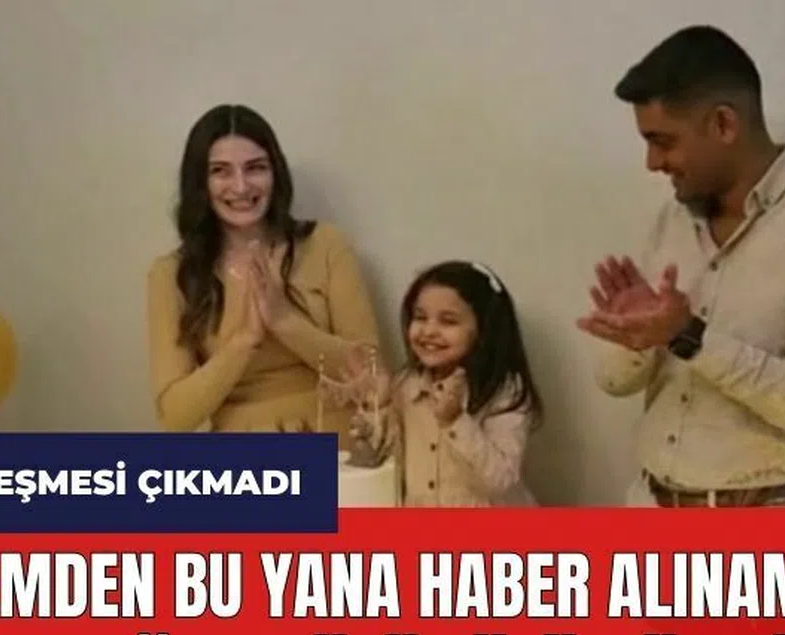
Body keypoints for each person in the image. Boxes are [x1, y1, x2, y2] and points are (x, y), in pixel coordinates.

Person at [577, 26, 785, 507]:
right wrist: (635, 338)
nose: (652, 162)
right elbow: (614, 383)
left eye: (663, 141)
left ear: (724, 124)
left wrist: (689, 337)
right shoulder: (671, 219)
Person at [145, 104, 382, 439]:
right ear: (200, 182)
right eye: (221, 171)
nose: (241, 187)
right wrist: (245, 340)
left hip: (340, 442)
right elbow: (175, 418)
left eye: (255, 168)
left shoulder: (326, 244)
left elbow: (372, 378)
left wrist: (285, 321)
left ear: (275, 174)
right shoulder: (171, 274)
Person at [334, 261, 544, 506]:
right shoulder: (406, 384)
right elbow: (379, 461)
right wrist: (377, 406)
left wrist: (455, 421)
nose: (429, 330)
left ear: (483, 329)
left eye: (448, 321)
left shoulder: (504, 390)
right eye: (420, 317)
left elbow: (500, 480)